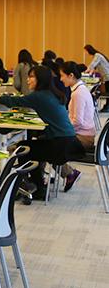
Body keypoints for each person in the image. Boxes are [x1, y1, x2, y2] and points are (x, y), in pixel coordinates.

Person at [0, 66, 75, 198]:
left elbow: (16, 101)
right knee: (28, 146)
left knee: (23, 149)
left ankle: (38, 187)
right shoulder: (51, 93)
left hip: (60, 144)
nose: (28, 80)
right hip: (67, 140)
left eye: (31, 77)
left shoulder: (40, 96)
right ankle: (33, 183)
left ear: (40, 79)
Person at [59, 61, 95, 191]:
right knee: (49, 140)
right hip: (84, 134)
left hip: (83, 137)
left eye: (62, 75)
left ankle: (69, 173)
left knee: (51, 144)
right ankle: (67, 173)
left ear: (71, 75)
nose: (60, 79)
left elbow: (78, 122)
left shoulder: (77, 93)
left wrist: (62, 129)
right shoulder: (80, 89)